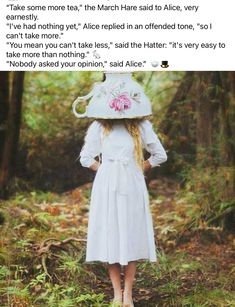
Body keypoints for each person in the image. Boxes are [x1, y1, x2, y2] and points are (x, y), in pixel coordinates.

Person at [73, 72, 168, 307]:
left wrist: (139, 168)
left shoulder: (141, 125)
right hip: (107, 185)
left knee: (131, 233)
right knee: (110, 234)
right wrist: (105, 170)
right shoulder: (99, 126)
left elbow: (160, 155)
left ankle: (128, 294)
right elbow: (86, 157)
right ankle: (116, 293)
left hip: (132, 183)